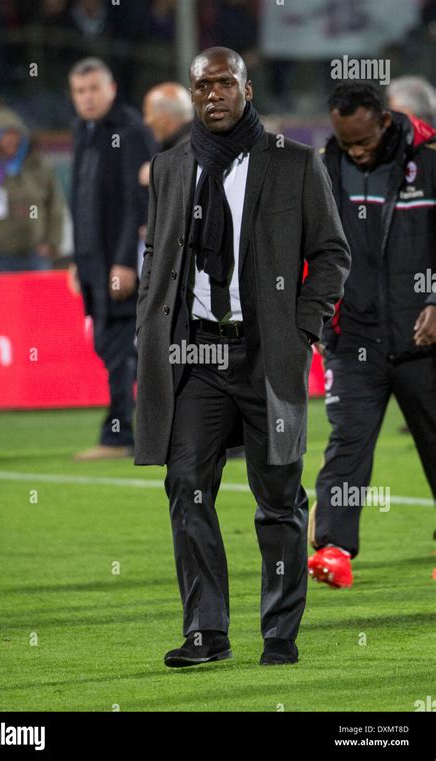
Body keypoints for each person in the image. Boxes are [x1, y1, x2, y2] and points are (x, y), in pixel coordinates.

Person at [135, 47, 350, 667]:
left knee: (278, 496)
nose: (214, 95)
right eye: (203, 86)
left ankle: (279, 632)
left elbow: (332, 254)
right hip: (196, 354)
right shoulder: (172, 166)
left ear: (247, 91)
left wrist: (303, 329)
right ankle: (207, 631)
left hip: (265, 353)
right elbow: (159, 254)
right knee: (187, 485)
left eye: (225, 83)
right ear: (193, 93)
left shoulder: (295, 163)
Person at [308, 83, 436, 589]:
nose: (355, 151)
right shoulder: (326, 167)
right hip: (351, 335)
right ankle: (334, 549)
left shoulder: (428, 162)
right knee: (348, 443)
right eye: (346, 142)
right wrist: (317, 320)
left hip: (422, 339)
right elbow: (309, 248)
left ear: (385, 121)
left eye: (363, 141)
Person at [68, 57, 155, 461]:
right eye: (79, 91)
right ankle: (129, 429)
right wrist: (78, 259)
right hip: (91, 257)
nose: (86, 98)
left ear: (112, 88)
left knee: (121, 348)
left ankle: (119, 434)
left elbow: (136, 202)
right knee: (110, 346)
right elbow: (81, 200)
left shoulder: (130, 131)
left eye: (93, 90)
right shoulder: (82, 132)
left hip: (118, 260)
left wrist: (124, 262)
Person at [0, 107, 64, 272]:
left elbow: (55, 207)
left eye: (15, 134)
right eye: (5, 135)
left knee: (37, 298)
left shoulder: (38, 166)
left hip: (36, 258)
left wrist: (51, 243)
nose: (11, 140)